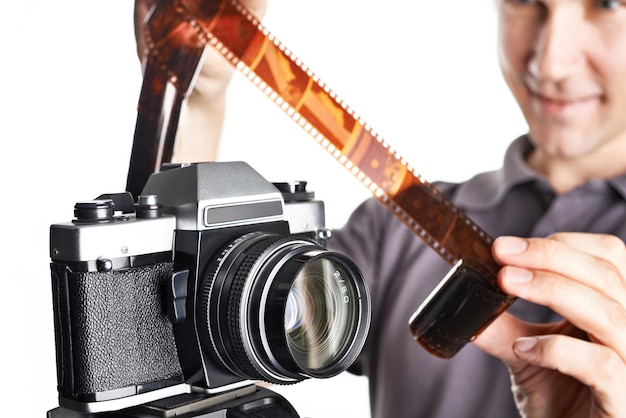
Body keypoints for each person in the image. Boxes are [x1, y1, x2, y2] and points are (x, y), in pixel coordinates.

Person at [134, 0, 626, 417]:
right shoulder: (389, 230)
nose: (550, 62)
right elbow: (193, 320)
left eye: (608, 2)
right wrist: (198, 96)